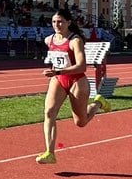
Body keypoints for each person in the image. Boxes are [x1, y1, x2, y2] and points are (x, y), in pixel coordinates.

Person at [36, 9, 106, 163]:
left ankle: (98, 103)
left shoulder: (75, 41)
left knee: (80, 122)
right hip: (59, 79)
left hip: (77, 81)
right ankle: (50, 152)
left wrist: (58, 70)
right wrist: (54, 71)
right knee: (49, 112)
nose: (56, 24)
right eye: (54, 21)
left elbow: (82, 67)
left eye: (60, 21)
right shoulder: (49, 40)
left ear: (69, 22)